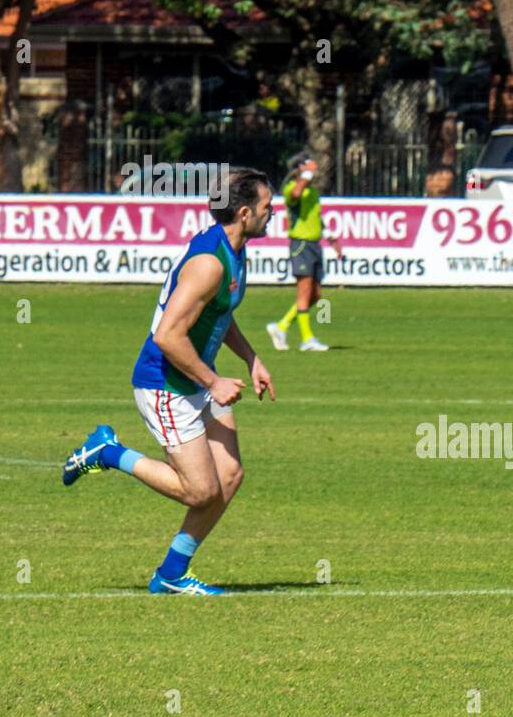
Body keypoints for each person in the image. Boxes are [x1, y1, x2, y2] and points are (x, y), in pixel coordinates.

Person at [61, 167, 276, 595]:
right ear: (246, 212)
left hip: (195, 376)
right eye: (269, 208)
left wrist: (251, 358)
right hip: (166, 383)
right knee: (200, 491)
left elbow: (218, 313)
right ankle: (109, 452)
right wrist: (214, 381)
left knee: (229, 477)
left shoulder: (235, 248)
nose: (274, 215)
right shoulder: (209, 263)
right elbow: (168, 335)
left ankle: (172, 574)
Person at [266, 152, 338, 353]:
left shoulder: (313, 191)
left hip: (314, 244)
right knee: (305, 291)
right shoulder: (293, 188)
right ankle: (307, 339)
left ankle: (281, 326)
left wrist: (330, 237)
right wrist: (305, 175)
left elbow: (316, 217)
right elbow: (295, 194)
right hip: (301, 244)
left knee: (315, 294)